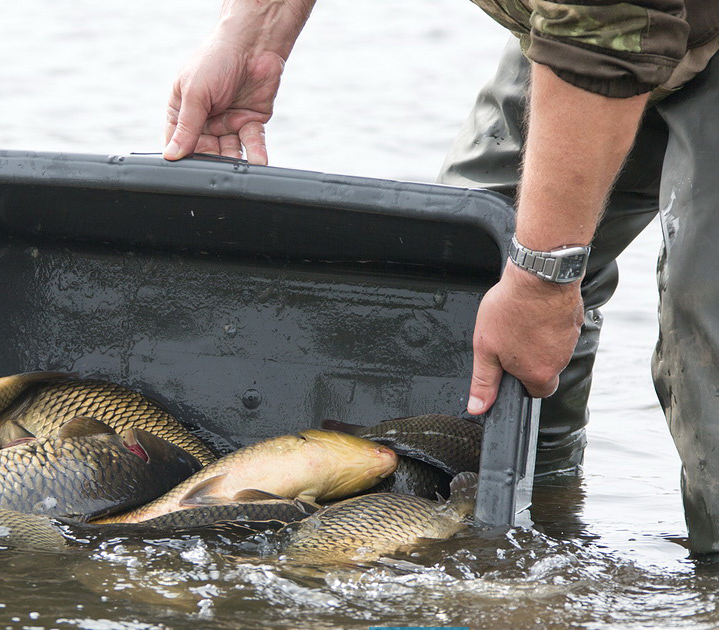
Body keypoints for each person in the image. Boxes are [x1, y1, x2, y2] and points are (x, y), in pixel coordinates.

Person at [160, 0, 719, 554]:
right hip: (582, 27)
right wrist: (254, 37)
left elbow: (606, 31)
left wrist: (543, 278)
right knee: (469, 296)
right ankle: (533, 540)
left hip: (604, 28)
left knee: (705, 339)